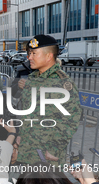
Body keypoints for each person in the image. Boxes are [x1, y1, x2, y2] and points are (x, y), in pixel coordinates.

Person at [17, 34, 82, 166]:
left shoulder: (61, 83)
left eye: (34, 53)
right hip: (27, 151)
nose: (29, 57)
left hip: (46, 156)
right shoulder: (33, 78)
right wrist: (19, 136)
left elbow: (72, 119)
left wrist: (55, 148)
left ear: (48, 56)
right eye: (29, 53)